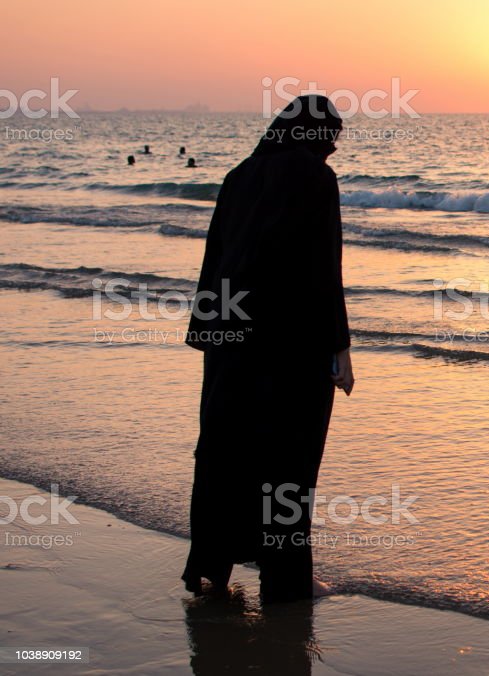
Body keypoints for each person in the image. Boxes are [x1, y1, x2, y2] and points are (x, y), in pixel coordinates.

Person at [182, 94, 354, 603]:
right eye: (331, 138)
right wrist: (339, 348)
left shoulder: (240, 175)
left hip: (231, 341)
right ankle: (287, 581)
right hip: (291, 344)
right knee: (289, 461)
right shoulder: (315, 179)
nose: (334, 150)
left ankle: (210, 566)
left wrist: (209, 333)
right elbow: (324, 268)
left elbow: (216, 257)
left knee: (224, 450)